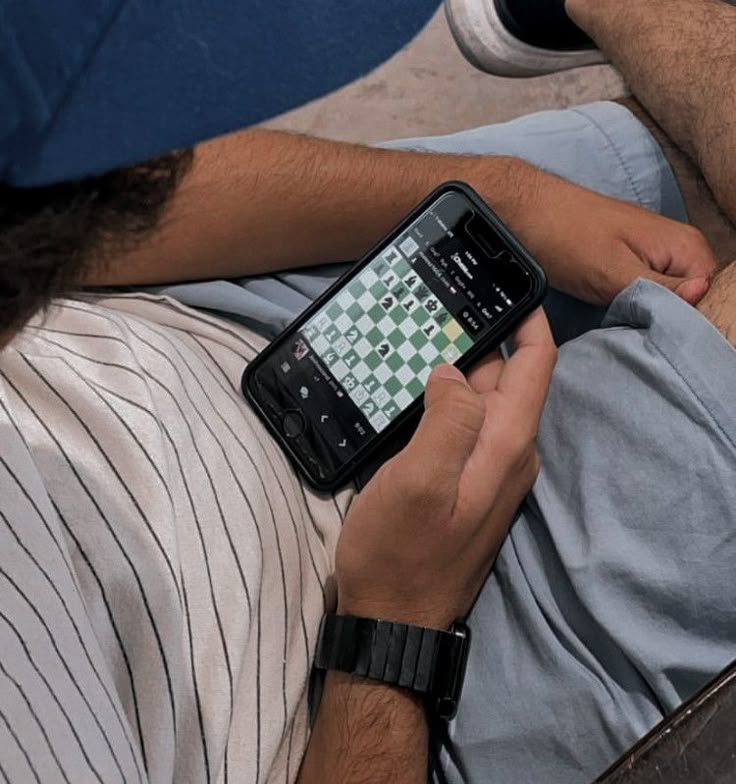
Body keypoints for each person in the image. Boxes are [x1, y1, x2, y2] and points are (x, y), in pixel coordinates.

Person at [1, 2, 736, 784]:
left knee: (685, 166)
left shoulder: (48, 209)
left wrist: (503, 192)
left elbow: (74, 187)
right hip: (376, 686)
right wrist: (398, 622)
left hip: (249, 327)